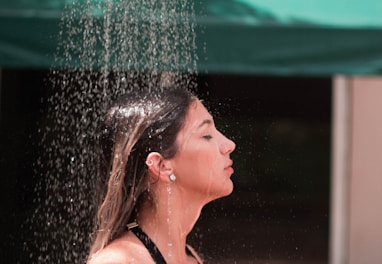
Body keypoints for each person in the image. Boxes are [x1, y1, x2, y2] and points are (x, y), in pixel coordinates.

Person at [87, 87, 236, 264]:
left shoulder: (191, 258)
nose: (229, 145)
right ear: (161, 166)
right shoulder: (118, 261)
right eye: (206, 135)